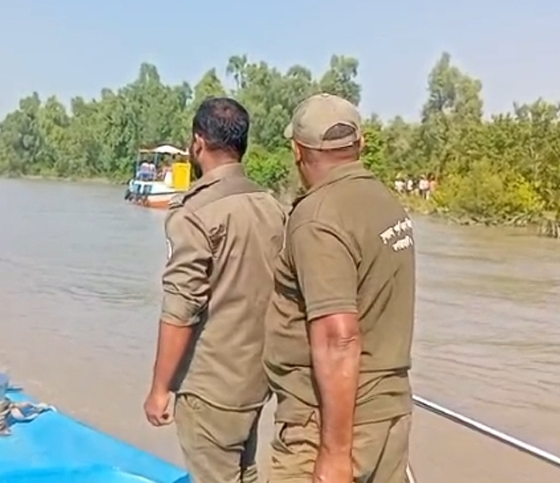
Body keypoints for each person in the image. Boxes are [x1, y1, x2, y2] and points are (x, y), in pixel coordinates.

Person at [264, 94, 416, 483]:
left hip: (329, 425)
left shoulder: (318, 218)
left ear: (298, 151)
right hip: (387, 412)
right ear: (360, 144)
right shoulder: (385, 203)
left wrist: (334, 454)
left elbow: (339, 338)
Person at [143, 97, 286, 483]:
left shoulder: (194, 212)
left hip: (211, 386)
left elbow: (181, 308)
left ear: (198, 142)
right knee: (245, 470)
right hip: (258, 379)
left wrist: (160, 388)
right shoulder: (271, 205)